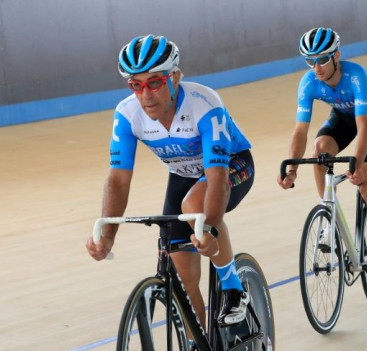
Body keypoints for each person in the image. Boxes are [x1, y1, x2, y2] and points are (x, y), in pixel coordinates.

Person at [86, 34, 255, 326]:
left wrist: (211, 232)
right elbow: (118, 181)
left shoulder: (204, 104)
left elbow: (216, 178)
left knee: (193, 204)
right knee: (183, 279)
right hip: (183, 175)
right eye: (135, 85)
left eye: (154, 82)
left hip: (232, 165)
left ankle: (233, 288)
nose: (145, 94)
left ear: (174, 77)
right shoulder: (127, 115)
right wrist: (108, 236)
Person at [277, 27, 367, 288]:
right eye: (310, 61)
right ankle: (329, 218)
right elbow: (301, 130)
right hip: (343, 119)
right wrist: (292, 168)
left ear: (336, 56)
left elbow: (364, 128)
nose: (316, 67)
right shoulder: (308, 82)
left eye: (321, 60)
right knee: (320, 153)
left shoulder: (357, 77)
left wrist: (358, 164)